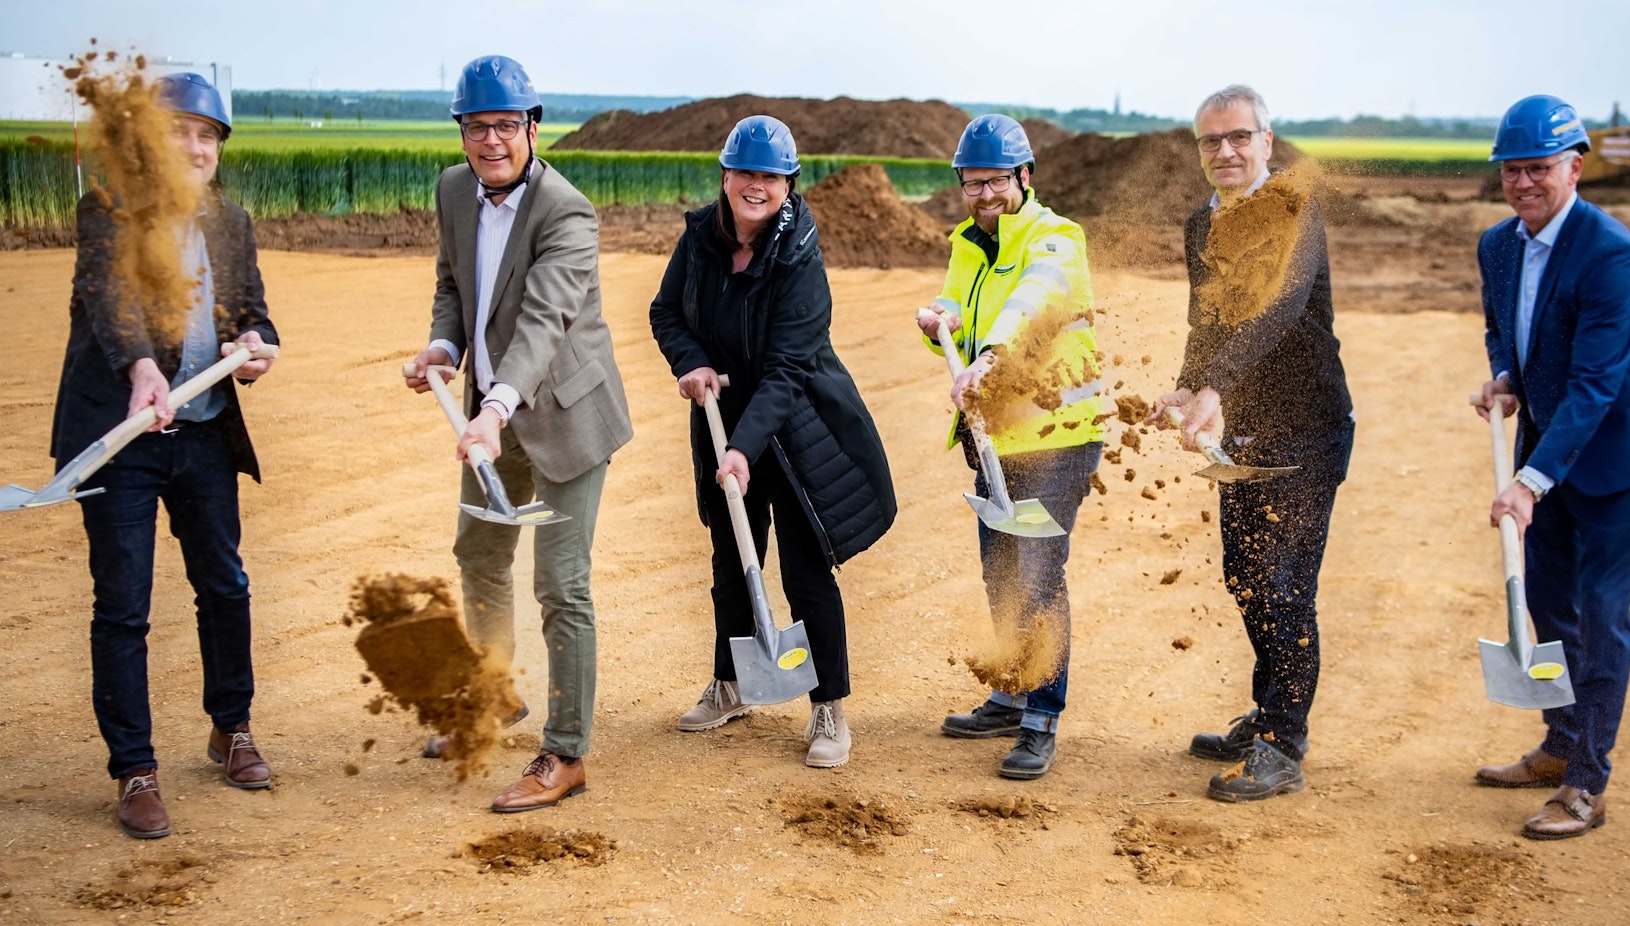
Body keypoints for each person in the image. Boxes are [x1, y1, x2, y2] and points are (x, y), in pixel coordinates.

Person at [52, 72, 278, 839]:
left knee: (226, 585)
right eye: (179, 130)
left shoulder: (231, 221)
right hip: (121, 443)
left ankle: (232, 729)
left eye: (208, 135)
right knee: (123, 606)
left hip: (206, 433)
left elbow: (254, 312)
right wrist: (141, 368)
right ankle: (135, 769)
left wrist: (255, 347)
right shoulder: (108, 210)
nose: (194, 146)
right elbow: (109, 301)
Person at [404, 55, 632, 812]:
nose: (491, 140)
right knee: (480, 553)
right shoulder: (451, 190)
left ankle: (566, 753)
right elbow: (451, 283)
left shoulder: (566, 211)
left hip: (564, 415)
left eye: (506, 124)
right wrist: (443, 346)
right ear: (462, 132)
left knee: (560, 583)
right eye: (477, 126)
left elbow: (541, 323)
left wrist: (494, 409)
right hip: (489, 415)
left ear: (533, 128)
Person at [650, 115, 895, 769]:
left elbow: (788, 372)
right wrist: (691, 362)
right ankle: (732, 684)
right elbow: (666, 311)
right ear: (726, 176)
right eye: (745, 173)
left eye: (770, 176)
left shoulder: (800, 257)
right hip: (720, 418)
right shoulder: (701, 237)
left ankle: (829, 709)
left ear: (789, 183)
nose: (755, 186)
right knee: (732, 561)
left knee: (805, 568)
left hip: (795, 426)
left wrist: (744, 449)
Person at [1146, 85, 1354, 803]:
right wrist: (1188, 383)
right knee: (1246, 576)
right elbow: (1207, 319)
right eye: (1212, 141)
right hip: (1246, 439)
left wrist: (1217, 386)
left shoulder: (1295, 213)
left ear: (1269, 142)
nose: (1226, 151)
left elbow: (1274, 309)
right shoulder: (1199, 224)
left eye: (1240, 137)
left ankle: (1283, 744)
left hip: (1308, 431)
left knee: (1285, 586)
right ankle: (1269, 714)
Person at [1471, 94, 1630, 840]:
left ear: (1575, 167)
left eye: (1539, 167)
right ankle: (1558, 740)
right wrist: (1504, 376)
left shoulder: (1613, 255)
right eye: (1513, 170)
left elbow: (1595, 386)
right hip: (1545, 446)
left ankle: (1586, 782)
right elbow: (1502, 329)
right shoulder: (1498, 245)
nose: (1524, 183)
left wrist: (1529, 481)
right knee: (1546, 607)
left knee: (1602, 618)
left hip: (1610, 462)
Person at [915, 114, 1105, 780]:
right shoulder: (969, 244)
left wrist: (992, 353)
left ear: (1024, 177)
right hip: (993, 437)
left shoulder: (1057, 239)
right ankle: (1008, 694)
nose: (985, 195)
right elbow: (961, 312)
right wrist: (938, 321)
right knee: (1001, 572)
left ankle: (1040, 718)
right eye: (973, 184)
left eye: (996, 181)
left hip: (1056, 441)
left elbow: (1031, 300)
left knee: (1038, 577)